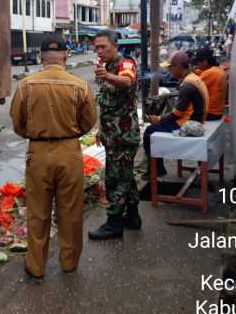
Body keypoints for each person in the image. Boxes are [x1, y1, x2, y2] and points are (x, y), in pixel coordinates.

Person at [10, 34, 97, 279]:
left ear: (41, 57)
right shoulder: (79, 85)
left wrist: (36, 134)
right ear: (66, 56)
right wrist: (69, 134)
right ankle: (68, 263)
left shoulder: (27, 85)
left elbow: (17, 123)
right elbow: (89, 121)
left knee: (38, 212)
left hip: (38, 153)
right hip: (69, 152)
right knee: (70, 211)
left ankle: (36, 266)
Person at [88, 29, 141, 240]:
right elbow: (107, 104)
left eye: (103, 47)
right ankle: (133, 217)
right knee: (126, 177)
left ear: (115, 46)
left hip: (124, 136)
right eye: (96, 47)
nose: (99, 51)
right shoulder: (106, 67)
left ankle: (114, 224)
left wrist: (108, 76)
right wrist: (102, 129)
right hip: (113, 134)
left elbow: (127, 81)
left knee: (115, 179)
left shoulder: (125, 63)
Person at [145, 51, 208, 176]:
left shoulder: (187, 85)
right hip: (197, 120)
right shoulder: (194, 78)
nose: (169, 71)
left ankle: (157, 170)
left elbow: (177, 114)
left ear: (178, 66)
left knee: (149, 131)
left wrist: (159, 118)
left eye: (170, 67)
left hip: (188, 125)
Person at [192, 48, 227, 120]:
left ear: (205, 62)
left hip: (210, 113)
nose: (197, 65)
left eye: (198, 62)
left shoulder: (210, 73)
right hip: (217, 112)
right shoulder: (217, 69)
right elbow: (199, 71)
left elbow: (192, 86)